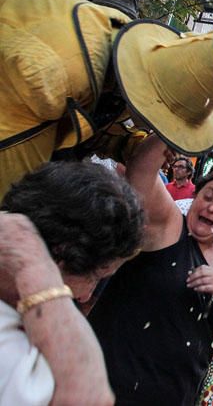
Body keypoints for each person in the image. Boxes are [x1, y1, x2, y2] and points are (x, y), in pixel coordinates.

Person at [0, 0, 213, 200]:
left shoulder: (125, 68)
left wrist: (132, 147)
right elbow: (12, 192)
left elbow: (95, 125)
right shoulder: (49, 78)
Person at [88, 136, 213, 406]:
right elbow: (141, 170)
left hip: (178, 392)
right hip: (112, 384)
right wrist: (182, 127)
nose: (212, 208)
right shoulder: (169, 225)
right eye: (208, 197)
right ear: (195, 196)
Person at [0, 161, 144, 405]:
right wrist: (38, 274)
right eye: (95, 278)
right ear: (60, 256)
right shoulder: (13, 352)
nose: (86, 296)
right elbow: (91, 397)